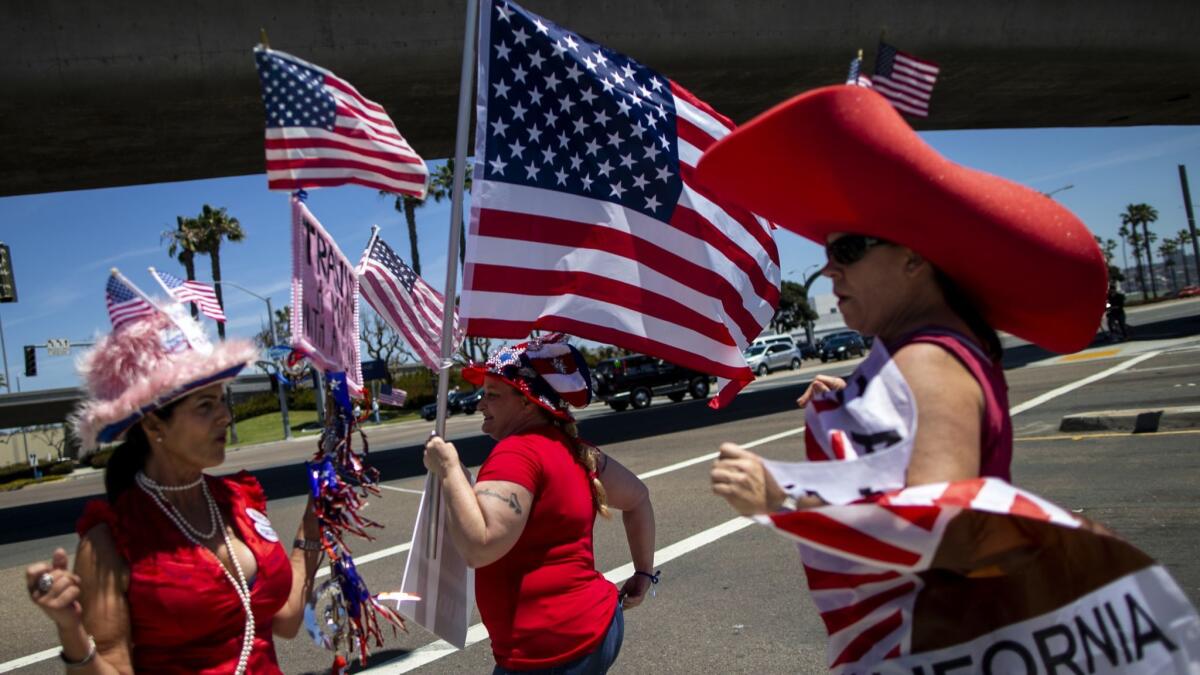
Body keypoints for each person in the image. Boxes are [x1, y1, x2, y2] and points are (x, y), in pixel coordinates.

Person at [693, 83, 1106, 513]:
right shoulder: (929, 354)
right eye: (828, 253)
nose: (829, 269)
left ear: (912, 258)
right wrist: (871, 403)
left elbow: (945, 524)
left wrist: (782, 494)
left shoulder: (928, 363)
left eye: (846, 252)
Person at [25, 297, 324, 674]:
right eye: (205, 405)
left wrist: (316, 518)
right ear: (153, 426)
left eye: (222, 401)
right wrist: (71, 633)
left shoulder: (239, 501)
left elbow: (285, 618)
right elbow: (115, 663)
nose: (225, 417)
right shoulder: (111, 541)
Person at [423, 333, 656, 674]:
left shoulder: (516, 453)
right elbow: (639, 498)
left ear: (528, 401)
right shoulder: (573, 447)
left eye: (492, 394)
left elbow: (480, 545)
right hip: (596, 627)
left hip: (548, 652)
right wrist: (643, 572)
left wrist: (447, 469)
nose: (479, 404)